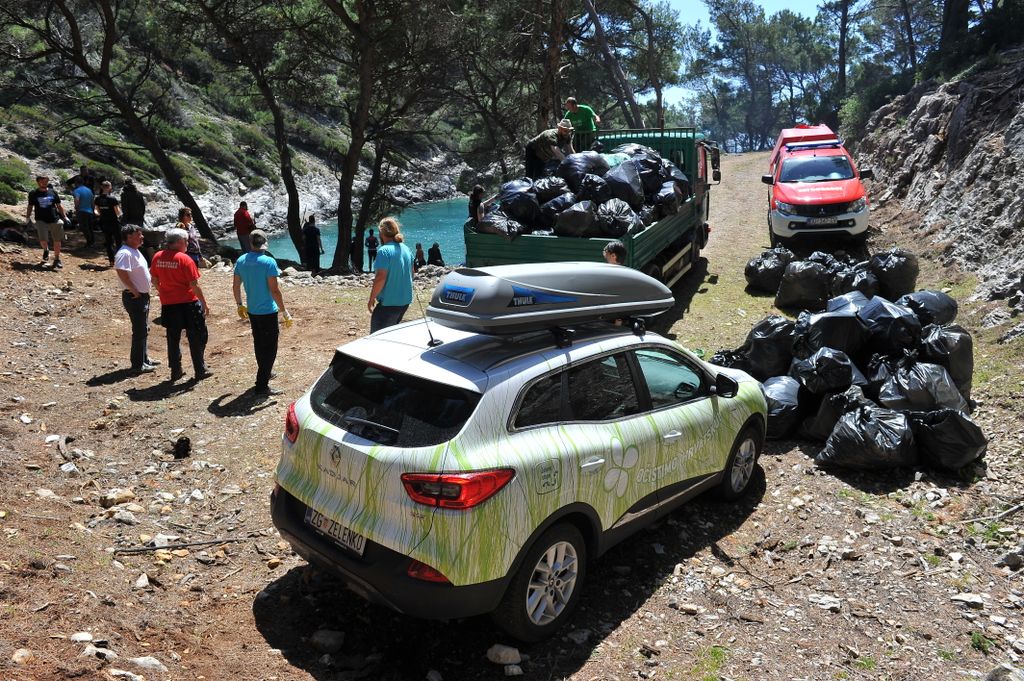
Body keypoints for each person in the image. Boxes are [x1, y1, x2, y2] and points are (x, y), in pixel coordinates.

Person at [233, 229, 291, 397]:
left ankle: (266, 372)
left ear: (250, 243)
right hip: (268, 312)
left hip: (252, 310)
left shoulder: (241, 261)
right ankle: (261, 385)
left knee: (259, 343)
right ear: (264, 244)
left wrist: (239, 304)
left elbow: (236, 285)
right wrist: (285, 311)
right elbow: (275, 290)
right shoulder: (269, 262)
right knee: (270, 348)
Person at [150, 228, 211, 382]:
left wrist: (163, 291)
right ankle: (200, 369)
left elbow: (154, 279)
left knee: (173, 337)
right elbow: (194, 285)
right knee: (196, 336)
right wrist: (204, 303)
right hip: (188, 303)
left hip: (169, 304)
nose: (187, 244)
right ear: (178, 242)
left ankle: (176, 370)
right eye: (186, 241)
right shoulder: (185, 259)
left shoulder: (157, 257)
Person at [115, 224, 160, 375]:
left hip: (141, 295)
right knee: (139, 330)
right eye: (138, 235)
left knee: (143, 329)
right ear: (128, 237)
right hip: (134, 297)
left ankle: (144, 359)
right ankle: (138, 364)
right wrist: (133, 289)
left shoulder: (134, 251)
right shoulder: (125, 253)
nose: (142, 237)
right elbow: (121, 272)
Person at [367, 217, 413, 333]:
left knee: (377, 338)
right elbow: (412, 273)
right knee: (390, 334)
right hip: (404, 302)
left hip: (389, 303)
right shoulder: (406, 248)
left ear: (381, 233)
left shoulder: (384, 251)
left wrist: (372, 298)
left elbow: (380, 278)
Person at [26, 175, 68, 269]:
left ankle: (57, 259)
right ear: (38, 182)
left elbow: (59, 206)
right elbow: (30, 206)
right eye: (43, 181)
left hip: (54, 219)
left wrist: (65, 217)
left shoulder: (52, 192)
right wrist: (28, 218)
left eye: (46, 181)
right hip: (40, 219)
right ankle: (46, 249)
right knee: (43, 239)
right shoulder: (33, 193)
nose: (45, 183)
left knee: (57, 240)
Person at [93, 180, 122, 266]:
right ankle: (120, 261)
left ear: (102, 187)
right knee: (118, 242)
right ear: (110, 188)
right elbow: (117, 212)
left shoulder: (98, 199)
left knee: (108, 243)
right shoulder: (112, 199)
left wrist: (101, 213)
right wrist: (120, 214)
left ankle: (111, 261)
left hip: (104, 223)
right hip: (114, 223)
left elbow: (96, 211)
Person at [72, 178, 95, 247]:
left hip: (81, 211)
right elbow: (92, 201)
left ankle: (89, 242)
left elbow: (77, 199)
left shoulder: (76, 190)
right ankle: (92, 241)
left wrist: (76, 208)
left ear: (76, 183)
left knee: (84, 227)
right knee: (90, 227)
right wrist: (93, 210)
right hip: (90, 211)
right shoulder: (89, 190)